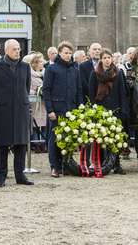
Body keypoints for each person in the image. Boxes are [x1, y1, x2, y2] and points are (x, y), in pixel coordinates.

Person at [0, 39, 34, 187]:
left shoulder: (25, 66)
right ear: (5, 50)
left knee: (21, 144)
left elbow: (26, 88)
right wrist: (2, 103)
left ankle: (20, 175)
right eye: (14, 49)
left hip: (21, 109)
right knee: (2, 144)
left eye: (19, 49)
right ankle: (1, 176)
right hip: (4, 110)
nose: (17, 52)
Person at [42, 41, 83, 177]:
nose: (68, 55)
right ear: (59, 53)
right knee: (54, 139)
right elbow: (46, 91)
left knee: (69, 139)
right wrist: (50, 110)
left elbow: (78, 91)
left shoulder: (74, 70)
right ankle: (55, 166)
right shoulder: (51, 69)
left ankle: (66, 165)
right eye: (65, 53)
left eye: (70, 53)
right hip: (57, 109)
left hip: (71, 110)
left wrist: (79, 109)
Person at [89, 48, 128, 175]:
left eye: (109, 57)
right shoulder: (95, 74)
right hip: (101, 108)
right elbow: (91, 93)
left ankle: (116, 164)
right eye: (105, 58)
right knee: (100, 138)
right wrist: (95, 109)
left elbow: (123, 92)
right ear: (101, 59)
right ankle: (100, 163)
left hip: (115, 108)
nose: (107, 60)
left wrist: (123, 110)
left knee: (115, 138)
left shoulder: (118, 72)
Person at [25, 52, 47, 153]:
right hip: (35, 104)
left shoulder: (45, 74)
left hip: (44, 104)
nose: (42, 64)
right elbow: (28, 89)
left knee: (44, 124)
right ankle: (36, 144)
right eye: (40, 62)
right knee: (36, 124)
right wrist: (38, 92)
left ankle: (43, 143)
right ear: (35, 63)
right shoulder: (30, 75)